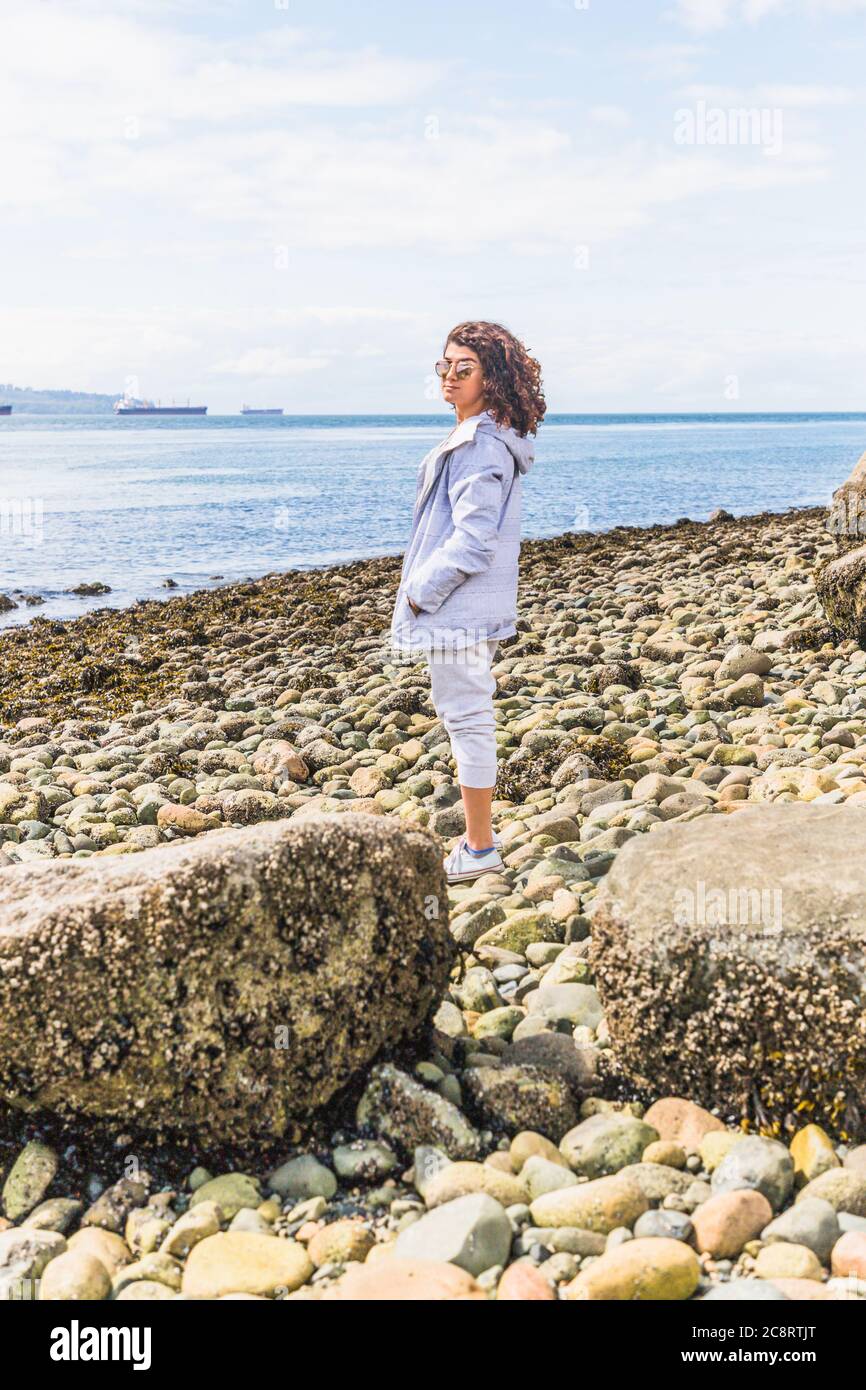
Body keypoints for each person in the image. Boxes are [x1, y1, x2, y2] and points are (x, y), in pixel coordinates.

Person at [390, 320, 545, 884]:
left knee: (467, 717)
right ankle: (478, 840)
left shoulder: (480, 446)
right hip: (461, 607)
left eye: (465, 369)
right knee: (466, 714)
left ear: (492, 377)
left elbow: (473, 540)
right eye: (444, 367)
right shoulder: (482, 437)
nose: (449, 378)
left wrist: (418, 592)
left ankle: (480, 847)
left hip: (454, 607)